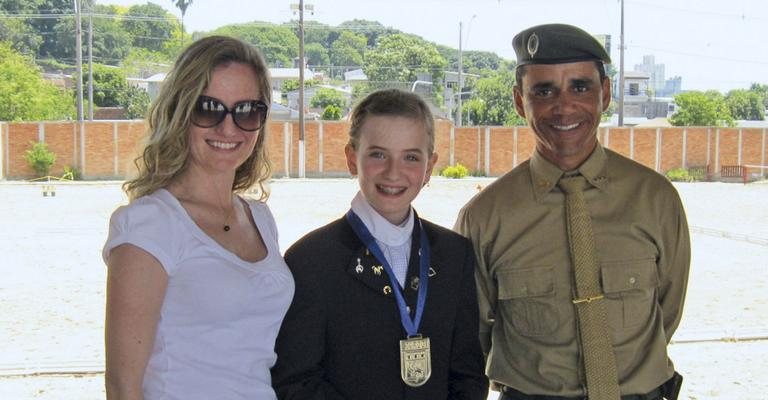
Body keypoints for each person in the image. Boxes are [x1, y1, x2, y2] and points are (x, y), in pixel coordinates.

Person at [454, 24, 690, 400]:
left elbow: (667, 311)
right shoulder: (485, 217)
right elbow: (471, 334)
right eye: (543, 91)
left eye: (580, 87)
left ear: (606, 93)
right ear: (519, 101)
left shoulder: (655, 199)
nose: (564, 106)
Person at [102, 36, 294, 400]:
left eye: (246, 111)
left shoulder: (260, 219)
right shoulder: (150, 224)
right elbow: (122, 386)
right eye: (208, 108)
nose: (228, 128)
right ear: (180, 111)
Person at [271, 89, 488, 400]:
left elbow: (468, 373)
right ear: (350, 158)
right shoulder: (311, 260)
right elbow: (296, 381)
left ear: (429, 168)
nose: (393, 172)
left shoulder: (455, 254)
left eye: (411, 157)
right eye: (378, 154)